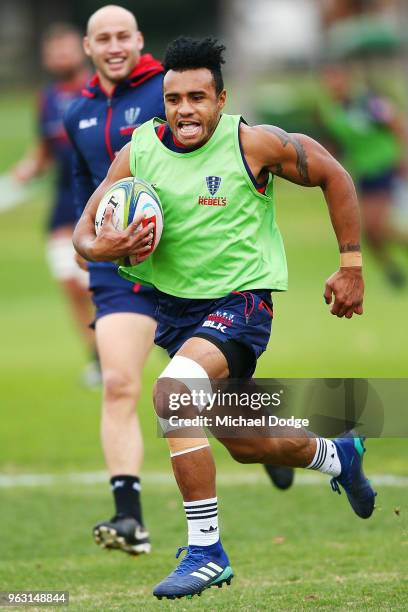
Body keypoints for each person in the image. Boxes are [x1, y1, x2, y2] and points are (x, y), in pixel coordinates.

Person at [72, 37, 376, 599]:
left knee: (173, 394)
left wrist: (351, 265)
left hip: (241, 305)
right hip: (176, 317)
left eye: (197, 97)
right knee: (246, 441)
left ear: (220, 99)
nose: (184, 109)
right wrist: (105, 247)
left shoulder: (253, 144)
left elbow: (334, 173)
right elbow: (83, 235)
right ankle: (340, 454)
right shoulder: (139, 151)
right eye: (173, 98)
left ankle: (207, 551)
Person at [64, 5, 166, 556]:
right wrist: (88, 243)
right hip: (113, 271)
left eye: (123, 35)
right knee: (120, 384)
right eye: (102, 38)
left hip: (178, 266)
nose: (114, 45)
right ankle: (130, 519)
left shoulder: (166, 93)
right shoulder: (76, 111)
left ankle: (282, 446)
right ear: (89, 47)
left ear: (138, 39)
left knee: (211, 402)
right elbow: (85, 187)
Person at [12, 24, 98, 385]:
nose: (61, 56)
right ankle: (98, 359)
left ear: (83, 50)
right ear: (47, 58)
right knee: (72, 287)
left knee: (102, 286)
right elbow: (45, 149)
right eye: (54, 50)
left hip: (101, 200)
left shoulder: (100, 90)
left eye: (67, 49)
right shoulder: (45, 99)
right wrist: (24, 171)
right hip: (63, 204)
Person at [319, 63, 407, 288]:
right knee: (370, 233)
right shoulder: (333, 112)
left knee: (377, 226)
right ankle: (393, 273)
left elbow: (397, 125)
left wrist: (403, 158)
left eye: (336, 78)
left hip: (385, 167)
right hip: (364, 173)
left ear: (347, 79)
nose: (333, 85)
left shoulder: (368, 102)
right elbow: (336, 146)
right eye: (328, 80)